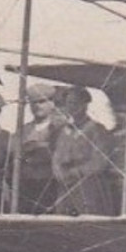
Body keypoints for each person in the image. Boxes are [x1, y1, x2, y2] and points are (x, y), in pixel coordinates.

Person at [51, 85, 117, 216]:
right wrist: (58, 171)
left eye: (76, 103)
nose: (72, 107)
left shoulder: (97, 129)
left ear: (85, 105)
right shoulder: (63, 130)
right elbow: (56, 155)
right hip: (65, 185)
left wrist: (78, 172)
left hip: (88, 185)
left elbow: (100, 161)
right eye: (69, 103)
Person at [10, 82, 65, 215]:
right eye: (33, 103)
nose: (37, 106)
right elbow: (13, 152)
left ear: (52, 103)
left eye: (41, 102)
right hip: (25, 185)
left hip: (51, 185)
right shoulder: (24, 130)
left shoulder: (59, 127)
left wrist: (38, 148)